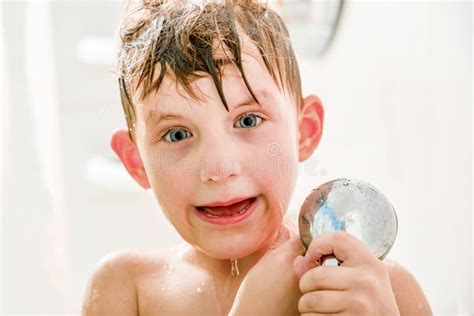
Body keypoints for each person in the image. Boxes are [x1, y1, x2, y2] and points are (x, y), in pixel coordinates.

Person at [82, 1, 432, 315]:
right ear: (137, 161)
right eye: (177, 134)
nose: (219, 168)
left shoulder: (375, 288)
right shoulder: (126, 290)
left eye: (248, 120)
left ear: (304, 131)